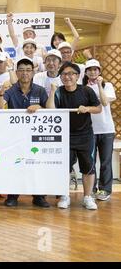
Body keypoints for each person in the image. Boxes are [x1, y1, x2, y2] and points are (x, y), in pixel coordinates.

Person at [0, 57, 50, 208]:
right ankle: (13, 195)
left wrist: (40, 108)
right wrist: (0, 95)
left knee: (37, 166)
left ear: (33, 72)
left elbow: (50, 110)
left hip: (36, 136)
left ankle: (39, 196)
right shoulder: (10, 90)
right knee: (15, 165)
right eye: (22, 70)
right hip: (14, 136)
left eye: (28, 70)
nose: (25, 73)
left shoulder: (39, 90)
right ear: (17, 72)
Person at [46, 62, 102, 210]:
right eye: (64, 74)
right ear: (61, 76)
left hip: (85, 136)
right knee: (64, 167)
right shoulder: (58, 92)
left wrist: (87, 108)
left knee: (88, 167)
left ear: (77, 76)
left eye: (71, 74)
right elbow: (50, 109)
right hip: (65, 136)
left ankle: (87, 197)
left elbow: (98, 108)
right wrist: (52, 91)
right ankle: (65, 196)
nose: (68, 77)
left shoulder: (87, 91)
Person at [82, 59, 116, 202]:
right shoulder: (82, 88)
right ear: (86, 72)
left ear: (100, 71)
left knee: (105, 161)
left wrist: (99, 86)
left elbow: (104, 102)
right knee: (90, 162)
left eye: (95, 69)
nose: (93, 72)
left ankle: (105, 189)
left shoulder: (107, 85)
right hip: (89, 130)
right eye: (90, 70)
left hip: (107, 129)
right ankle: (92, 189)